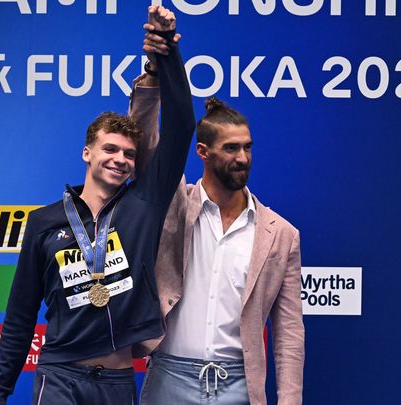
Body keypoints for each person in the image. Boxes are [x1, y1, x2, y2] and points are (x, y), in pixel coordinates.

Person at [0, 6, 195, 405]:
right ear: (86, 152)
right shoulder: (44, 221)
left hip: (116, 383)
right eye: (109, 148)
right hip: (59, 376)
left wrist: (166, 51)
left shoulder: (144, 204)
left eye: (129, 154)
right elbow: (20, 314)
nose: (120, 159)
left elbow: (182, 125)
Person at [133, 34, 305, 405]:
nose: (242, 157)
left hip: (240, 385)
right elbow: (144, 148)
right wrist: (153, 72)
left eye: (247, 147)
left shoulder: (281, 235)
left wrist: (289, 401)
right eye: (231, 148)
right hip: (168, 377)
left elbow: (289, 331)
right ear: (203, 152)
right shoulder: (175, 203)